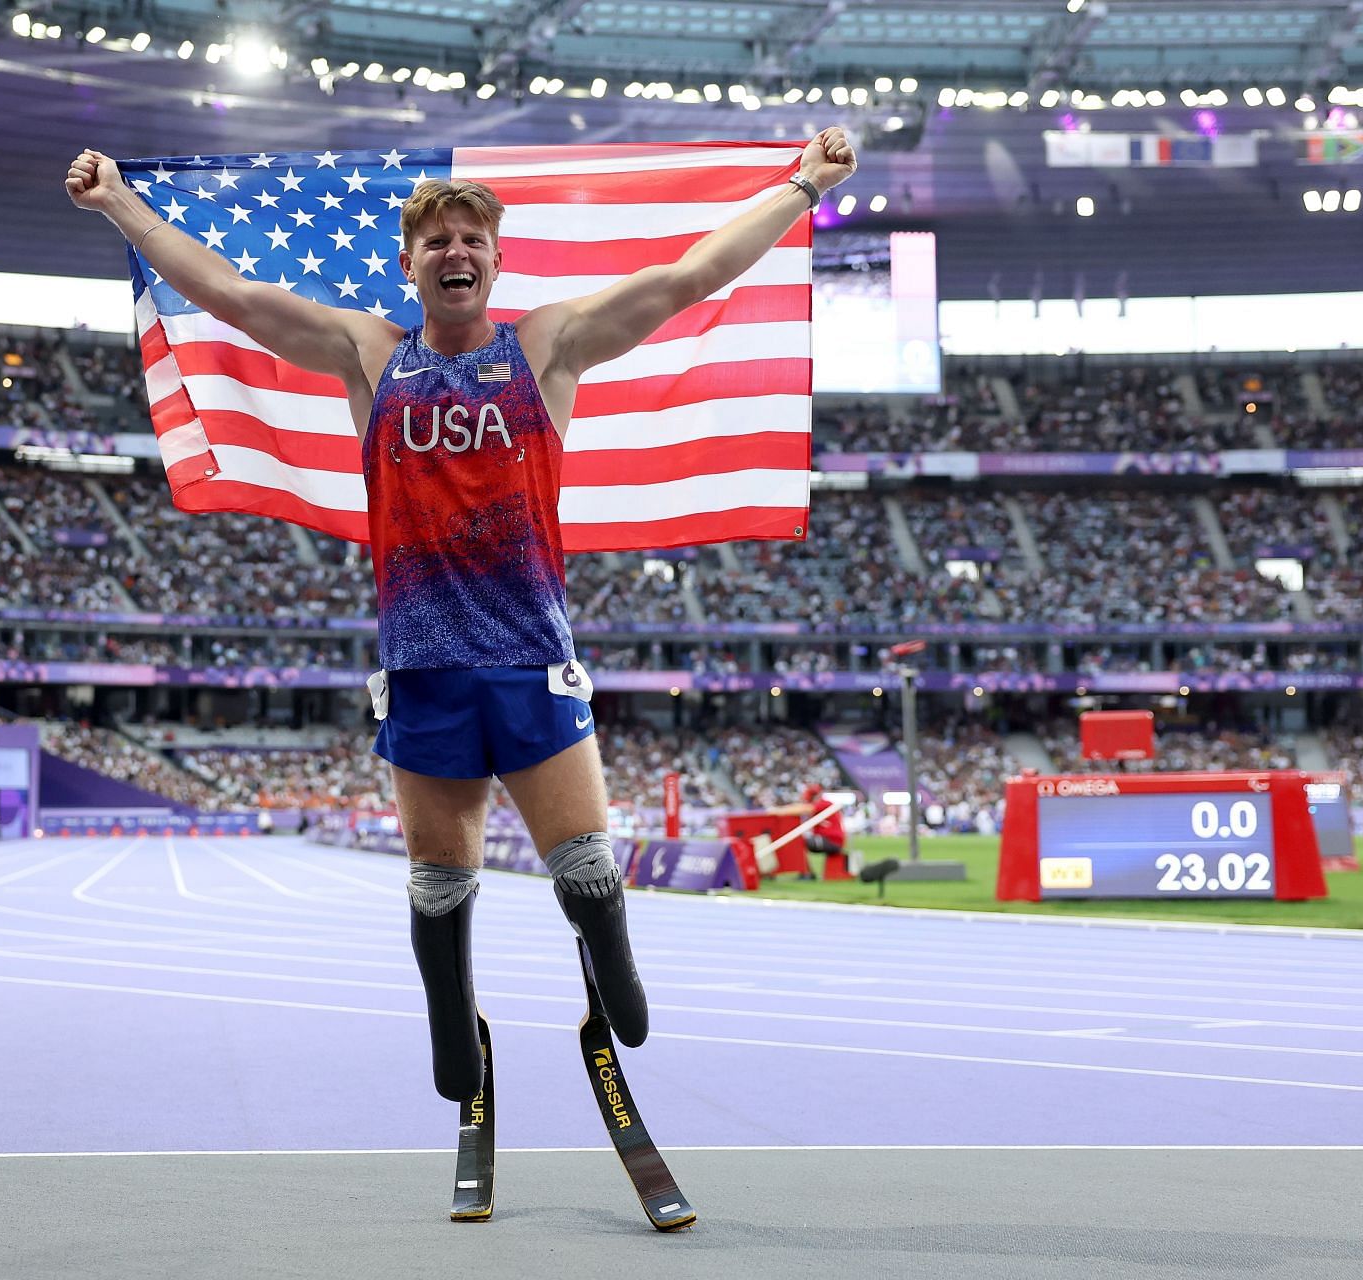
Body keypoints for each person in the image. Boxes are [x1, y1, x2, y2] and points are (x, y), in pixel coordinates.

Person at [66, 131, 859, 1101]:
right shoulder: (370, 354)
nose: (455, 252)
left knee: (584, 866)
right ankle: (453, 1021)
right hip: (422, 666)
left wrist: (803, 187)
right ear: (409, 263)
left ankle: (615, 962)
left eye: (472, 240)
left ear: (495, 258)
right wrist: (120, 206)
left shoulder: (547, 346)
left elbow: (692, 274)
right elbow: (232, 296)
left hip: (531, 656)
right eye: (437, 240)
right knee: (439, 882)